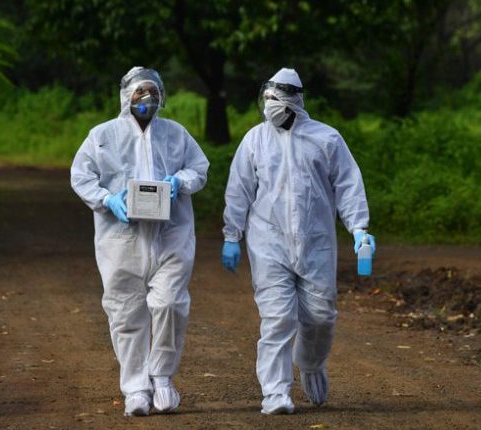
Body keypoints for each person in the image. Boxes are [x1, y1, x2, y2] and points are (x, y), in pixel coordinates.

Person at [221, 67, 375, 414]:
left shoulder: (326, 139)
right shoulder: (255, 140)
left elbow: (348, 185)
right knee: (277, 318)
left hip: (316, 242)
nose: (269, 105)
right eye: (266, 98)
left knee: (321, 317)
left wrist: (359, 229)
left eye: (275, 98)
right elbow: (238, 190)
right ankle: (275, 393)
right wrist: (232, 234)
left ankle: (310, 362)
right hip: (268, 242)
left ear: (294, 100)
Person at [71, 66, 209, 416]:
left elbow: (199, 168)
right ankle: (135, 387)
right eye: (139, 91)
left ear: (162, 96)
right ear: (125, 96)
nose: (146, 97)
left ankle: (161, 377)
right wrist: (107, 199)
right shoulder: (103, 135)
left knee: (170, 304)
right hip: (121, 240)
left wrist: (179, 181)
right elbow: (81, 176)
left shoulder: (176, 134)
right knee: (125, 311)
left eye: (152, 91)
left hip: (171, 235)